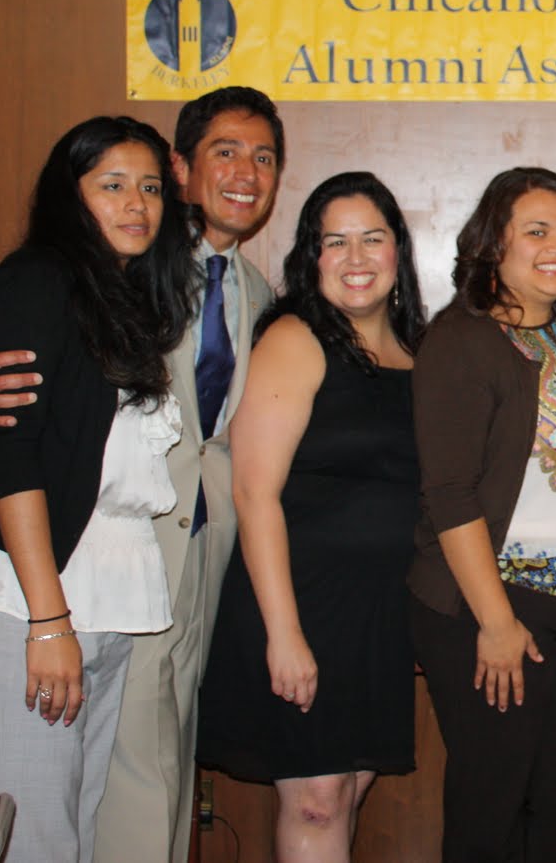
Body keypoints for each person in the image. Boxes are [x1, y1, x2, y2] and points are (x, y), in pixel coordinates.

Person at [0, 86, 286, 863]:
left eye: (264, 157)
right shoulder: (84, 266)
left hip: (163, 581)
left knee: (140, 778)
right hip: (65, 569)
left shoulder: (253, 291)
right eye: (225, 151)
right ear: (186, 166)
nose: (245, 172)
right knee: (83, 805)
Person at [0, 116, 197, 862]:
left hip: (106, 608)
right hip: (29, 607)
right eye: (111, 184)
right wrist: (48, 619)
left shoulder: (121, 299)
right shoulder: (36, 278)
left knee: (74, 839)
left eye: (149, 187)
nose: (137, 203)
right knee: (30, 846)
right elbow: (7, 456)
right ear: (68, 194)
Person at [195, 172, 426, 859]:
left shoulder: (419, 352)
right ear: (311, 256)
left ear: (398, 250)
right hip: (302, 605)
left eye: (372, 238)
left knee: (350, 786)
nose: (356, 258)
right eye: (336, 242)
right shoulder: (296, 337)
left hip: (377, 614)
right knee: (318, 802)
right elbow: (253, 492)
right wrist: (285, 634)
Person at [409, 167, 556, 862]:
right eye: (536, 230)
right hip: (491, 605)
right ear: (491, 243)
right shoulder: (462, 339)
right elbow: (452, 492)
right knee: (491, 808)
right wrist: (496, 621)